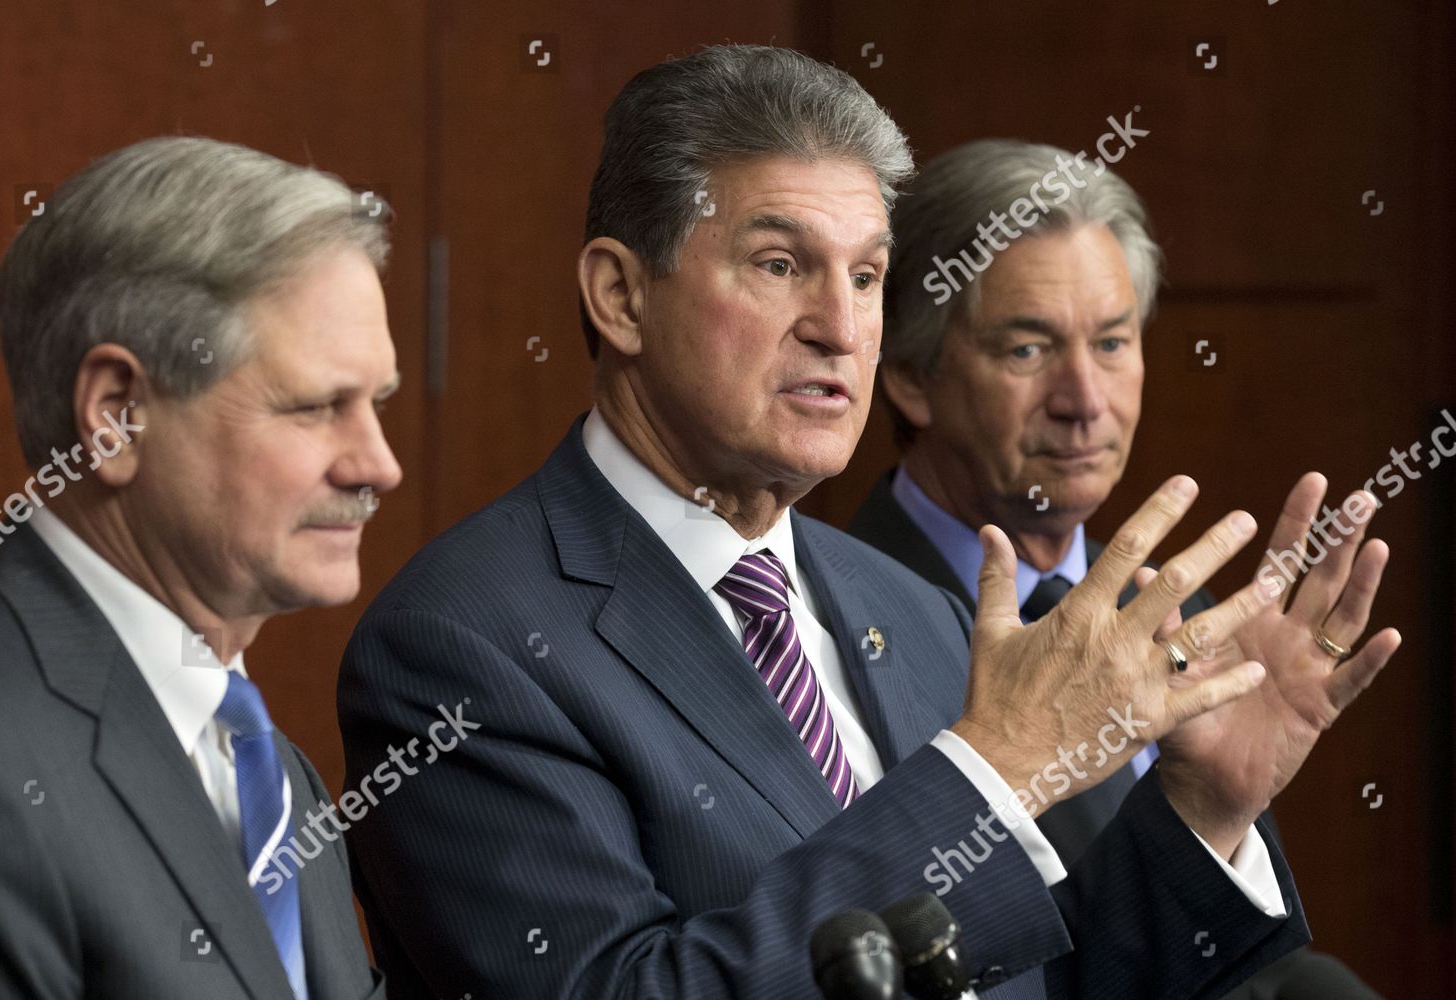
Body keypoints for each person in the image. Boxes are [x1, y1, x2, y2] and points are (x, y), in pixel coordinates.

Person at [339, 45, 1398, 1000]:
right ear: (620, 296)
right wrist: (997, 769)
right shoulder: (460, 645)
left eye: (866, 275)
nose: (841, 329)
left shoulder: (916, 608)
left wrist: (1204, 808)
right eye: (779, 264)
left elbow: (1045, 981)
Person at [848, 139, 1383, 996]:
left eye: (1111, 342)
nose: (1085, 400)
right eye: (1028, 350)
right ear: (912, 377)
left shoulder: (1179, 612)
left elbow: (1245, 972)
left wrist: (1214, 813)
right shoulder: (833, 624)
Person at [0, 136, 401, 1000]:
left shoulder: (271, 769)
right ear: (118, 417)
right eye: (317, 407)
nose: (378, 466)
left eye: (375, 403)